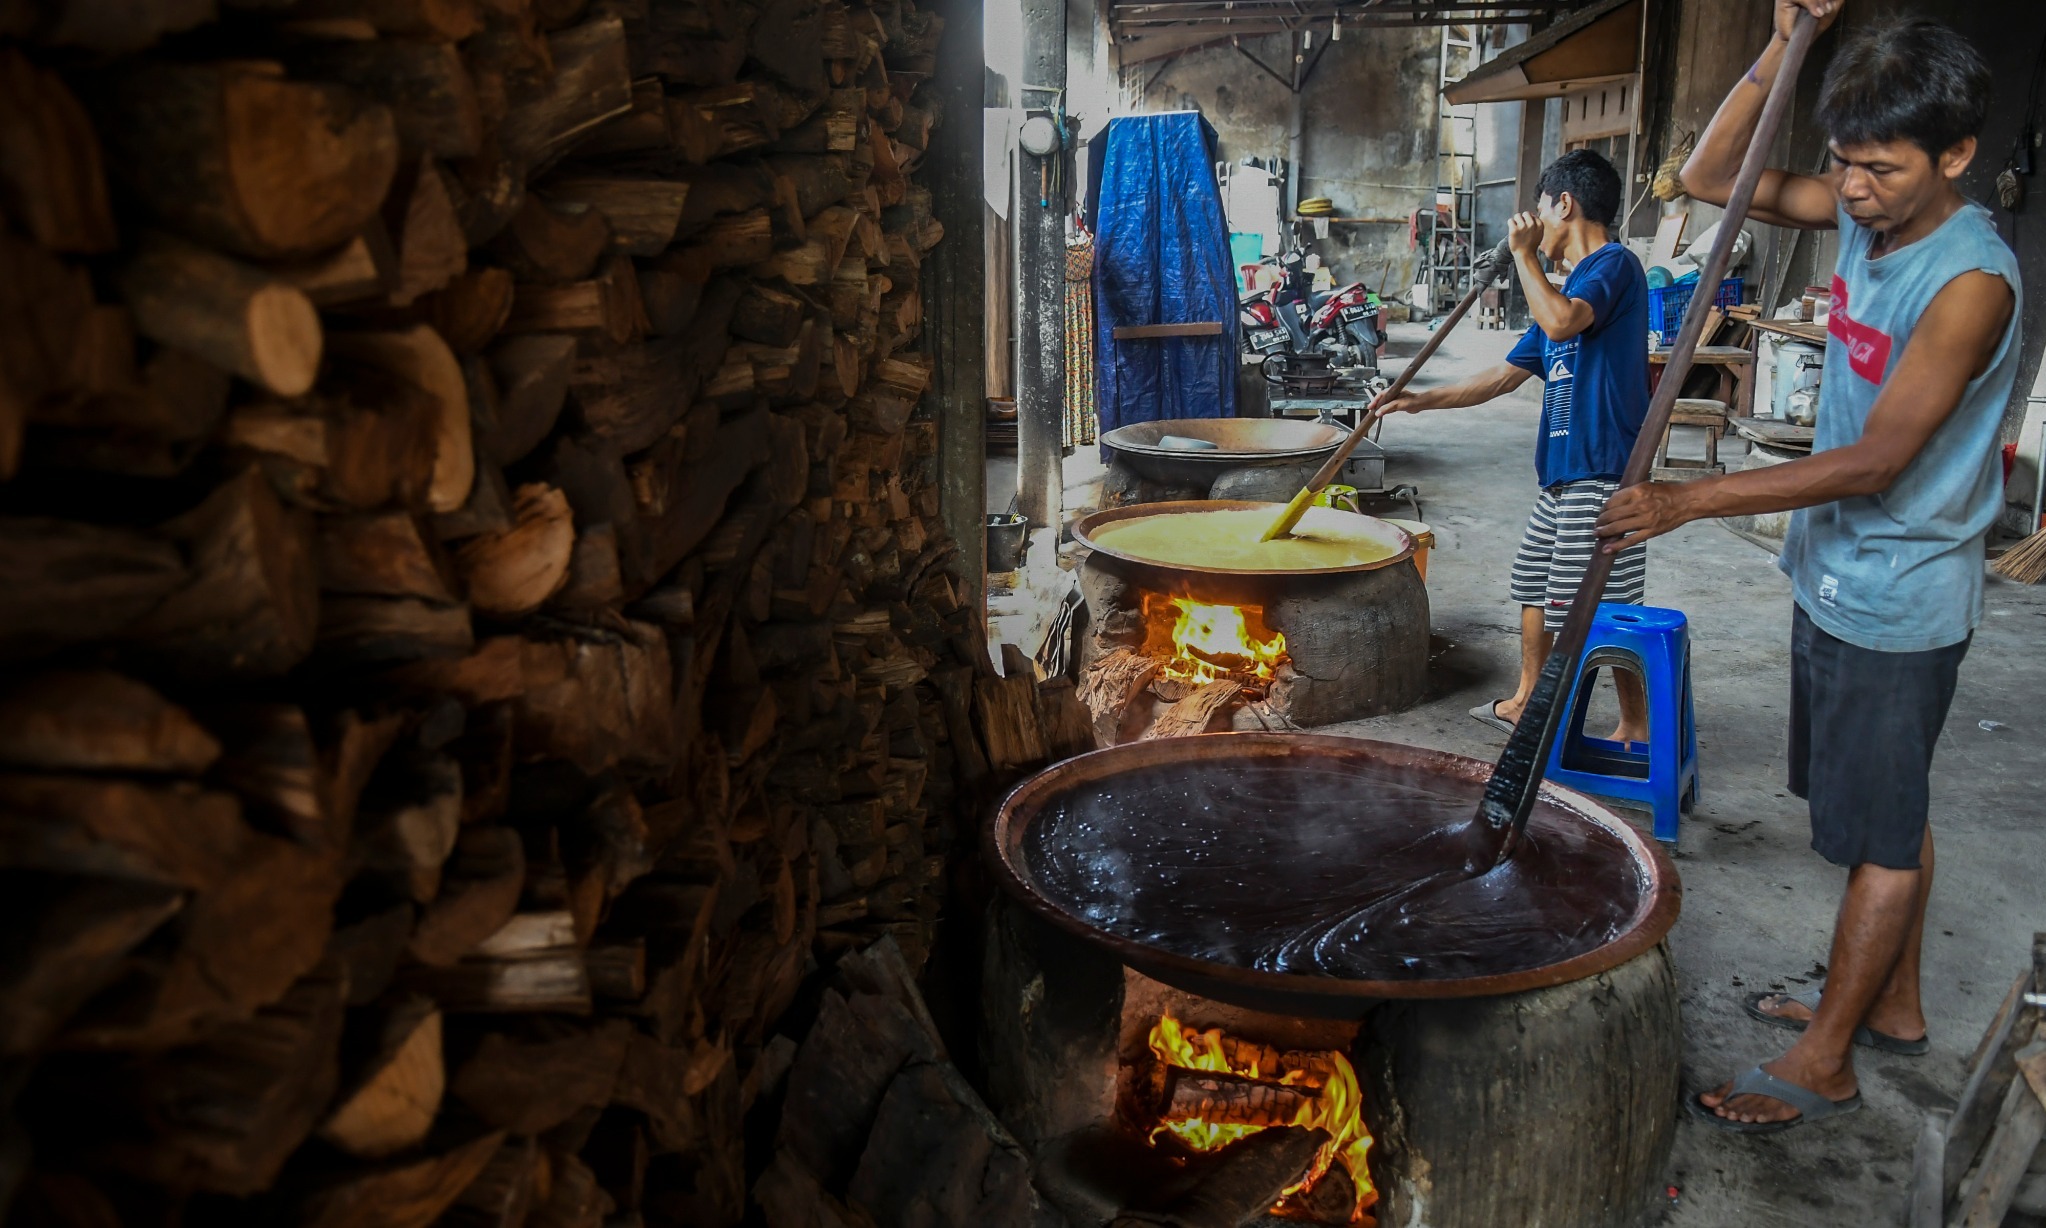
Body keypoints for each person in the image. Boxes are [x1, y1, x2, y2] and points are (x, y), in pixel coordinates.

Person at [1597, 0, 2021, 1132]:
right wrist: (1785, 43)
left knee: (1879, 836)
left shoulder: (1969, 281)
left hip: (1901, 590)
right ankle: (1893, 1006)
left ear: (1956, 156)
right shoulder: (1865, 214)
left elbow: (1879, 460)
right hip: (1836, 570)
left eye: (1882, 168)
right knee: (1887, 808)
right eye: (1843, 162)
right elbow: (1707, 179)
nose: (1855, 188)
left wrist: (1688, 499)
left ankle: (1827, 1057)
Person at [1376, 148, 1651, 742]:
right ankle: (1526, 701)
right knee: (1534, 584)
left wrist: (1524, 255)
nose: (1536, 222)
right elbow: (1502, 376)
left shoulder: (1614, 266)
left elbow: (1562, 322)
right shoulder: (1565, 289)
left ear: (1564, 204)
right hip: (1561, 473)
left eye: (1541, 209)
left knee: (1599, 602)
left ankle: (1636, 725)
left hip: (1604, 469)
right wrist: (1420, 400)